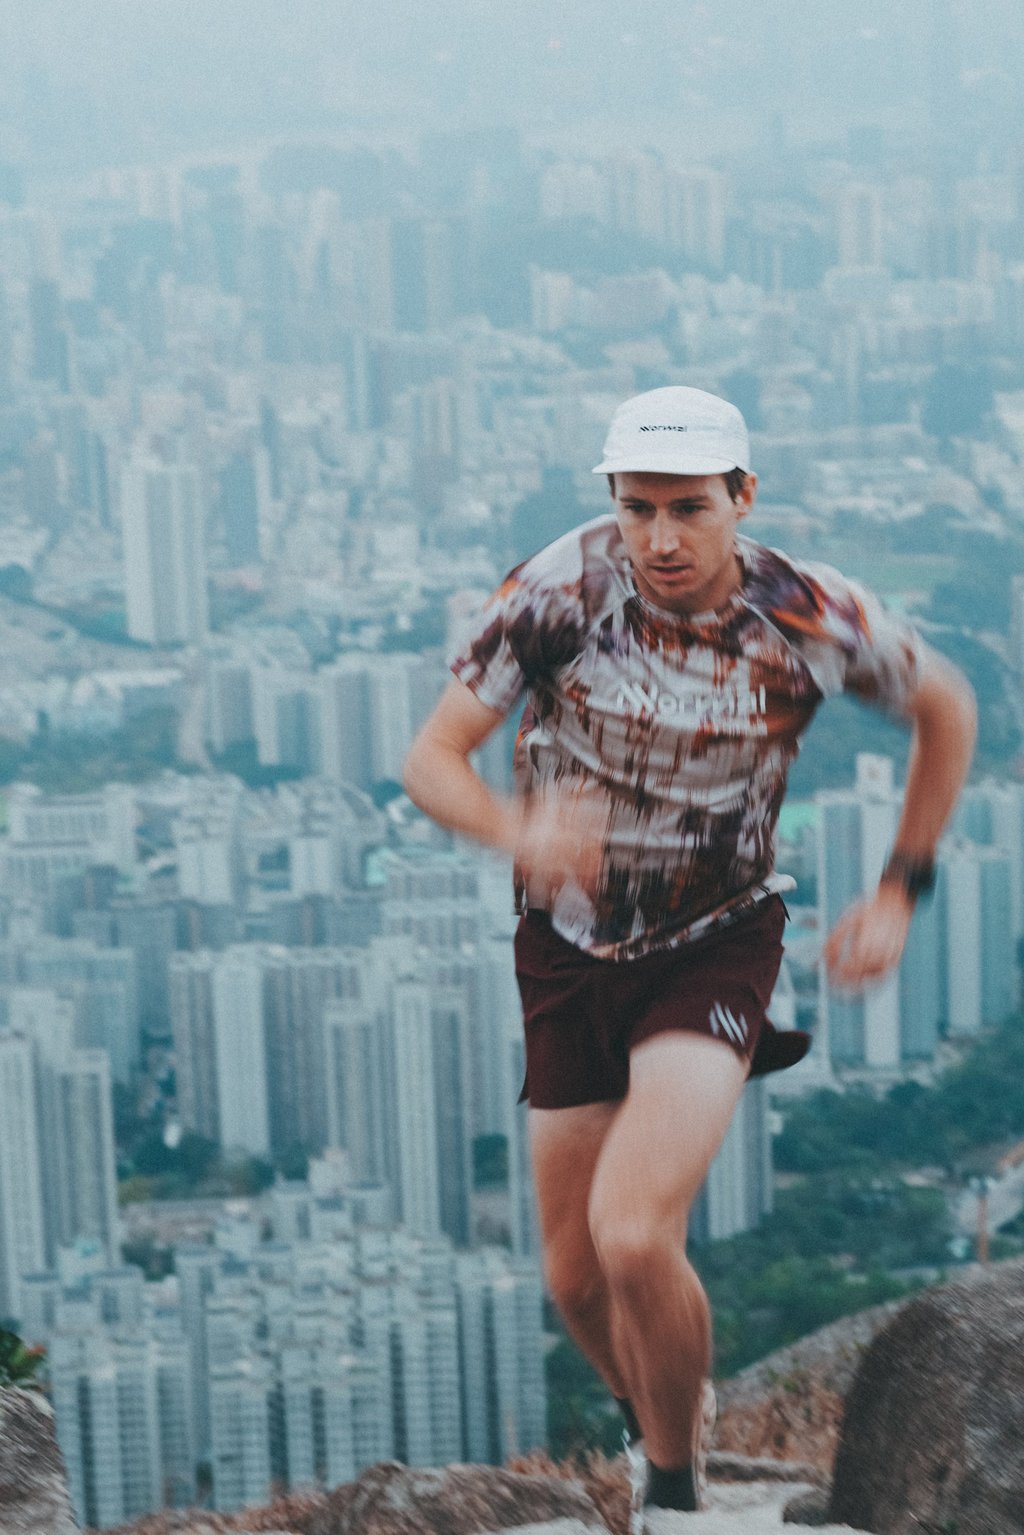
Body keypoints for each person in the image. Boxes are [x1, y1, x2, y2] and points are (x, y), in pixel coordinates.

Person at [402, 385, 976, 1529]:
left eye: (688, 509)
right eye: (638, 508)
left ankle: (671, 1493)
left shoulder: (808, 615)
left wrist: (899, 888)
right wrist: (520, 830)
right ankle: (661, 1415)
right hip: (564, 948)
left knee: (632, 1230)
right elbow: (433, 757)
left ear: (741, 499)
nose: (661, 539)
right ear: (611, 502)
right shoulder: (558, 590)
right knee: (574, 1276)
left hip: (716, 940)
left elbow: (946, 707)